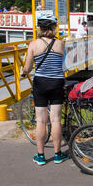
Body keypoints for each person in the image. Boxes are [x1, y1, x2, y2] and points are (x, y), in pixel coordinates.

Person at [20, 13, 68, 166]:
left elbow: (27, 68)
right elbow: (65, 66)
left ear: (39, 27)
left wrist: (23, 71)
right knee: (56, 120)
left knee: (41, 120)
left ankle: (40, 156)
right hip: (57, 83)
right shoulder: (61, 44)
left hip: (40, 83)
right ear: (53, 27)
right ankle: (58, 154)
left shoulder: (34, 44)